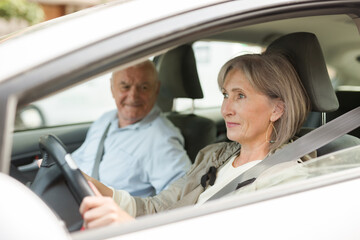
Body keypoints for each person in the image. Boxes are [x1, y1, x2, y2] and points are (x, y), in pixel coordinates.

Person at [79, 52, 314, 229]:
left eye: (240, 96)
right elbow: (159, 207)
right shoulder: (214, 157)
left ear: (277, 109)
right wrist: (100, 190)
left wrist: (131, 228)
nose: (226, 109)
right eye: (225, 95)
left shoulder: (285, 179)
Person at [71, 60, 191, 197]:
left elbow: (182, 197)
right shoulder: (105, 120)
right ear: (112, 88)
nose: (133, 96)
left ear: (156, 90)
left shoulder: (162, 139)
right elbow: (79, 160)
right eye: (125, 86)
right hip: (74, 197)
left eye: (144, 87)